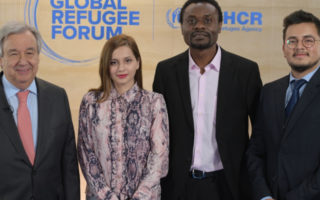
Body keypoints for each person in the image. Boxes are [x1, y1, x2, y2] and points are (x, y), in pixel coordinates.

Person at [152, 0, 262, 199]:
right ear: (182, 27)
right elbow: (158, 130)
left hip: (229, 185)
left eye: (207, 20)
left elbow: (260, 133)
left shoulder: (246, 71)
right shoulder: (165, 72)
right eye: (191, 21)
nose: (199, 26)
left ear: (219, 26)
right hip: (177, 186)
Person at [78, 34, 169, 200]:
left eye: (128, 60)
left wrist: (138, 197)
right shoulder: (91, 102)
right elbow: (86, 154)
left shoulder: (154, 102)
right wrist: (108, 197)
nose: (121, 68)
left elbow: (159, 157)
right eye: (114, 62)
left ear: (138, 63)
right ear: (106, 66)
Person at [0, 21, 80, 199]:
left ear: (37, 56)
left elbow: (69, 165)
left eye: (30, 52)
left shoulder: (58, 97)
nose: (23, 61)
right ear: (1, 59)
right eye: (14, 53)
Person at [246, 10, 320, 200]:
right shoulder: (270, 91)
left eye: (308, 40)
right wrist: (263, 194)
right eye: (292, 41)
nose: (299, 47)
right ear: (283, 48)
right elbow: (256, 150)